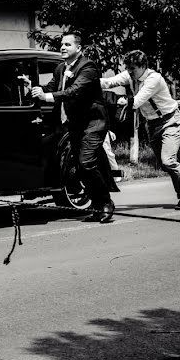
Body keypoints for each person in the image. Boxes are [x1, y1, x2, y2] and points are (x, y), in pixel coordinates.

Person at [101, 50, 180, 209]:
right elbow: (109, 82)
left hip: (170, 121)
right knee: (165, 164)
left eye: (132, 68)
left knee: (168, 161)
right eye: (127, 68)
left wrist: (118, 101)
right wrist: (88, 81)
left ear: (142, 67)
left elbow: (136, 101)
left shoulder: (154, 79)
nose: (129, 71)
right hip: (151, 124)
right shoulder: (130, 76)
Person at [32, 32, 117, 223]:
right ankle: (96, 206)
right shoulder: (61, 67)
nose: (62, 47)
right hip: (75, 124)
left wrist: (46, 97)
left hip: (94, 123)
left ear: (78, 48)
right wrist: (34, 87)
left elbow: (74, 91)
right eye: (61, 44)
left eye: (67, 45)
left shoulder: (88, 67)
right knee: (80, 166)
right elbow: (52, 86)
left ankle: (106, 203)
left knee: (86, 162)